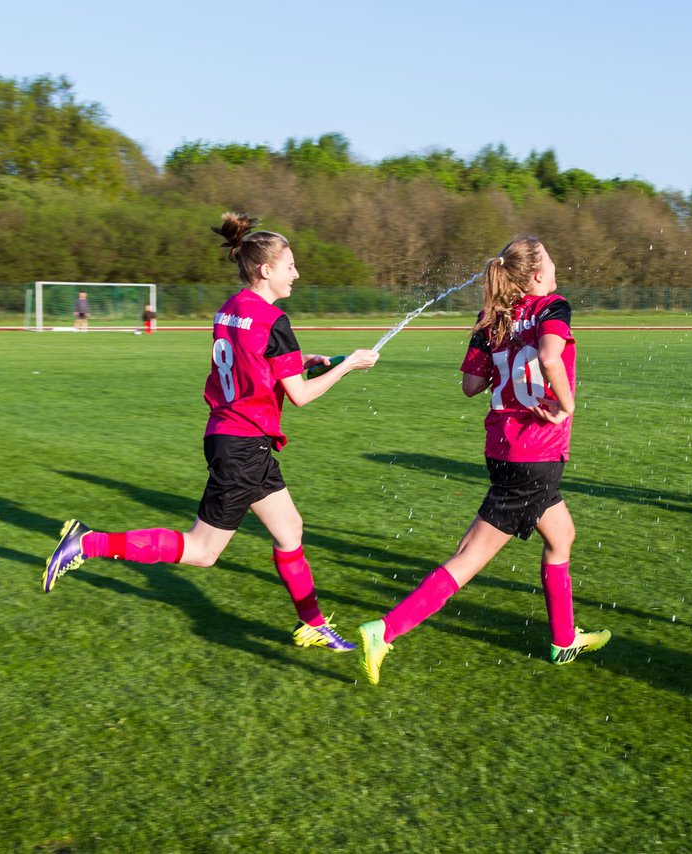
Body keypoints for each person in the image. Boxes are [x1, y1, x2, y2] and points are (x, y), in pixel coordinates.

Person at [43, 213, 380, 652]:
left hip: (235, 437)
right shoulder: (275, 320)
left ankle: (312, 624)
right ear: (266, 270)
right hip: (241, 443)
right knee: (202, 551)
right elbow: (299, 396)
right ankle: (88, 542)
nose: (296, 273)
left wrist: (299, 360)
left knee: (290, 531)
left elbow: (253, 361)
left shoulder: (231, 307)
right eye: (290, 265)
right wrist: (349, 366)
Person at [358, 236, 610, 685]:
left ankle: (563, 638)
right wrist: (566, 404)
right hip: (536, 454)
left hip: (504, 451)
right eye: (550, 261)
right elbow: (551, 357)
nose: (556, 266)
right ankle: (386, 629)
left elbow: (471, 385)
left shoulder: (491, 316)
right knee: (468, 558)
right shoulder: (553, 305)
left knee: (562, 536)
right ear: (536, 277)